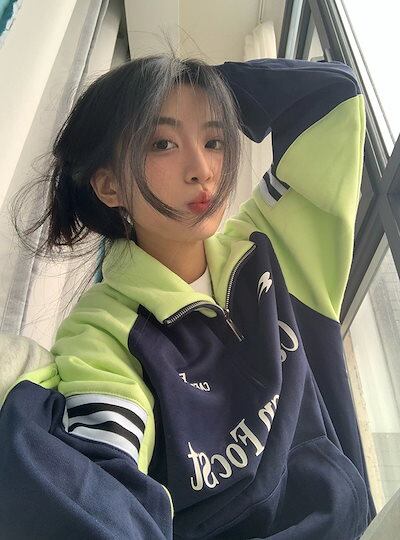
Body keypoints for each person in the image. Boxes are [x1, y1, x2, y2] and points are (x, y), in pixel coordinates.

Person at [0, 53, 375, 539]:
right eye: (163, 144)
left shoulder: (269, 246)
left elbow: (334, 96)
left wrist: (210, 83)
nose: (202, 170)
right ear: (110, 186)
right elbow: (107, 479)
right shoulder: (105, 332)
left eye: (214, 141)